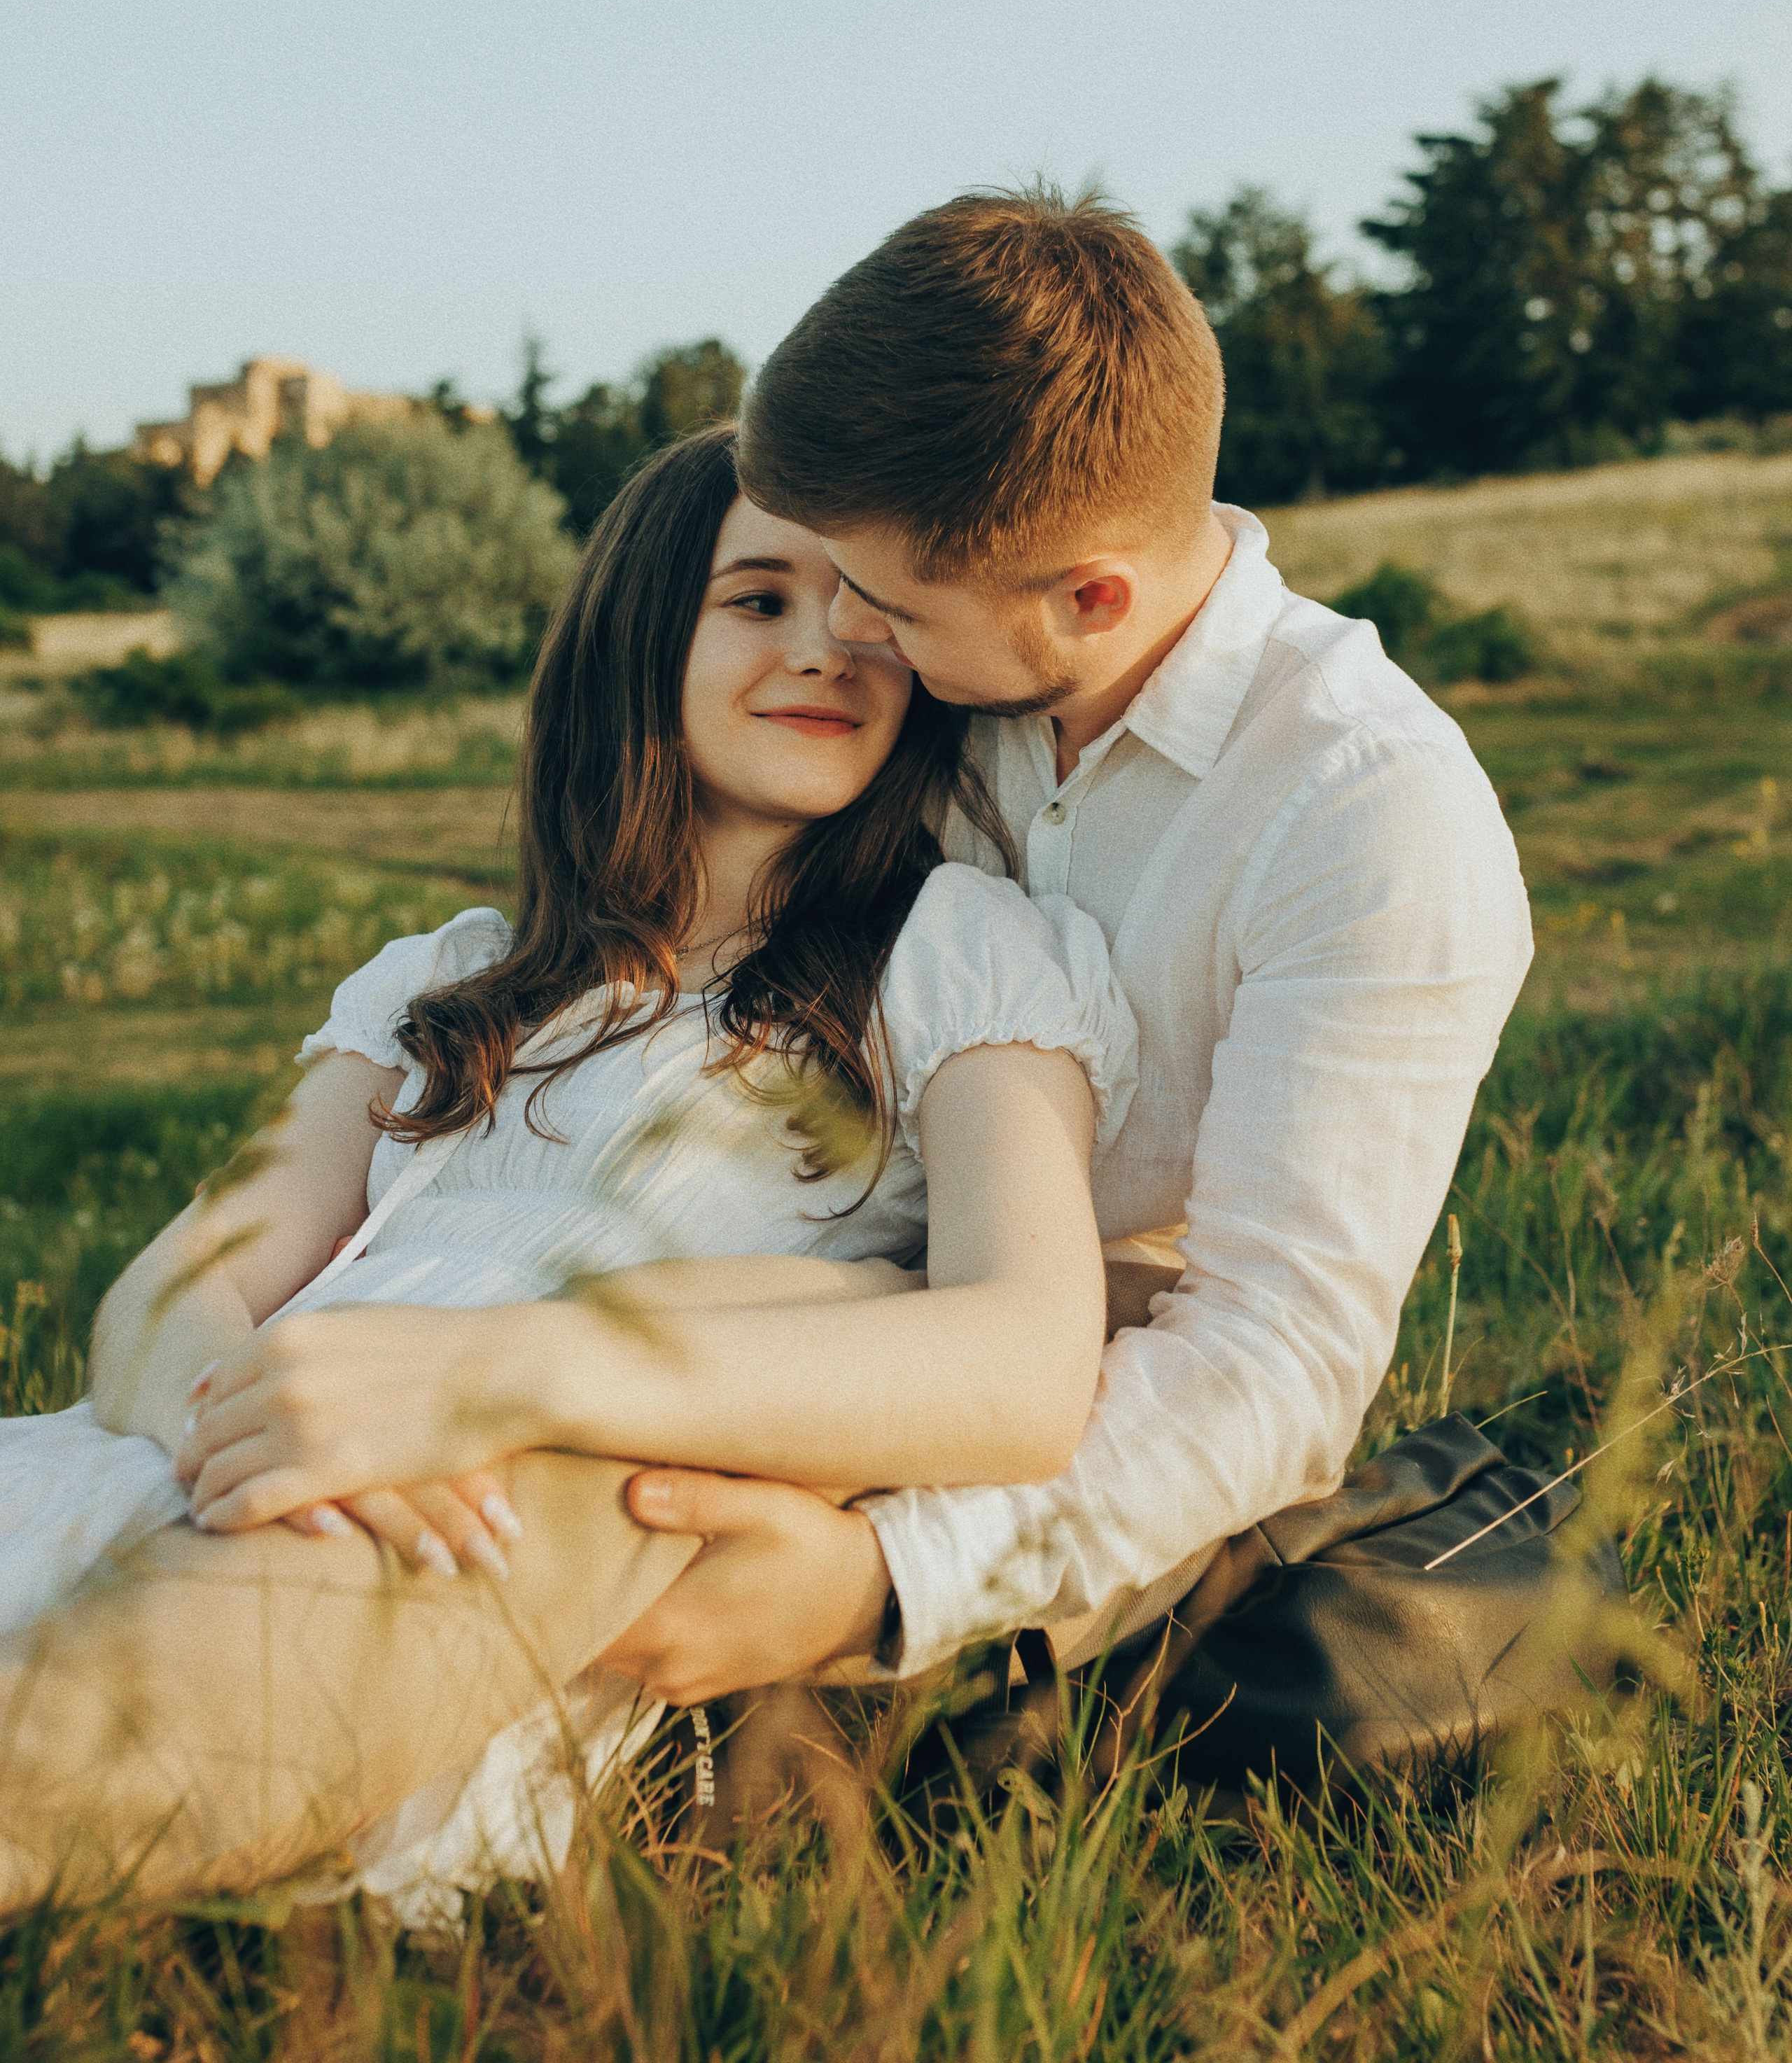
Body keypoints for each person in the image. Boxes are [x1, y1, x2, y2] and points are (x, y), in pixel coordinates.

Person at [0, 424, 1137, 1915]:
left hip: (511, 1510)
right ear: (637, 632)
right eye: (758, 600)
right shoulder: (458, 976)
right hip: (242, 1459)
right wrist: (261, 1424)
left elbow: (1023, 1359)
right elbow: (169, 1293)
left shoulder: (954, 951)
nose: (832, 649)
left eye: (868, 610)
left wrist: (480, 1386)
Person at [561, 184, 1534, 1707]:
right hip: (790, 1298)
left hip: (1089, 1402)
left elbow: (1268, 1362)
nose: (852, 641)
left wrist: (883, 1581)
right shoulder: (952, 684)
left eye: (888, 603)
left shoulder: (1364, 815)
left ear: (1087, 597)